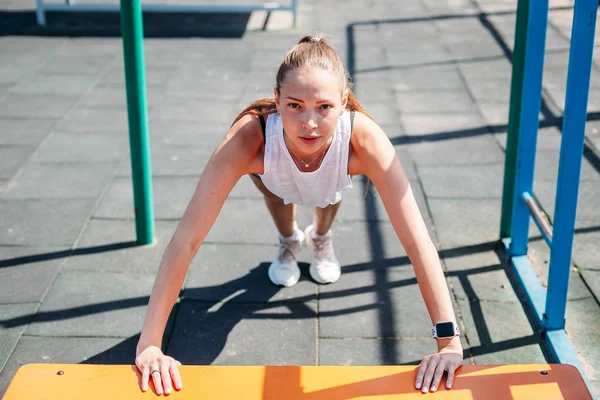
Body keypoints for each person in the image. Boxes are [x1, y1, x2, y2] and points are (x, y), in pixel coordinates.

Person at [134, 34, 463, 396]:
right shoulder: (250, 138)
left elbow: (418, 242)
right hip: (275, 177)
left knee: (325, 193)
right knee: (281, 194)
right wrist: (149, 343)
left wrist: (448, 342)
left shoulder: (363, 140)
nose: (309, 123)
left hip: (332, 178)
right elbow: (187, 238)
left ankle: (320, 238)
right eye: (294, 105)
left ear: (343, 103)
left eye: (324, 107)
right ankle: (289, 239)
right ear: (276, 101)